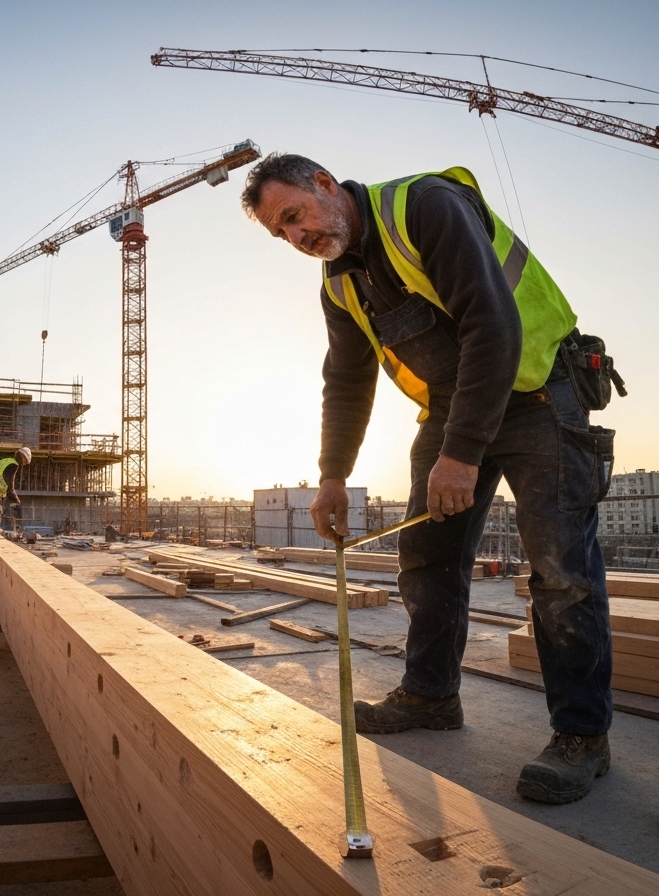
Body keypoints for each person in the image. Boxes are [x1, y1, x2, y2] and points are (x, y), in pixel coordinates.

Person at [241, 153, 617, 805]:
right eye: (283, 234)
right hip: (452, 407)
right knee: (427, 561)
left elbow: (491, 324)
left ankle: (582, 736)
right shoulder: (340, 283)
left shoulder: (423, 208)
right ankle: (431, 695)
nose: (298, 237)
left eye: (296, 215)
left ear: (325, 184)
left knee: (560, 570)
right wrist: (332, 477)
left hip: (538, 389)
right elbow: (347, 381)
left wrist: (463, 453)